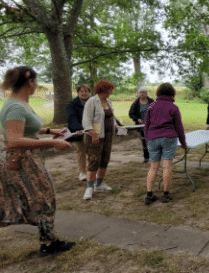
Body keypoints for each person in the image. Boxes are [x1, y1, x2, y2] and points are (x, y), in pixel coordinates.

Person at [0, 66, 75, 256]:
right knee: (43, 198)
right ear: (30, 82)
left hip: (28, 159)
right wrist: (51, 143)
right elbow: (13, 140)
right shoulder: (15, 106)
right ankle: (48, 243)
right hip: (21, 160)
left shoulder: (20, 103)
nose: (37, 85)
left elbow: (27, 127)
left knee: (41, 198)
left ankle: (48, 241)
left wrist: (50, 132)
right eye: (36, 81)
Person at [144, 83, 187, 205]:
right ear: (172, 93)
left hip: (152, 138)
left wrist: (148, 140)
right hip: (169, 137)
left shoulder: (151, 106)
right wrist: (183, 142)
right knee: (167, 166)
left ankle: (149, 194)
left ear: (158, 92)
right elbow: (179, 127)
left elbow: (146, 125)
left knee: (153, 167)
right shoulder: (173, 107)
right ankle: (166, 194)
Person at [82, 80, 119, 200]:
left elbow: (110, 117)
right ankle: (89, 188)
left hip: (107, 136)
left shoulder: (108, 102)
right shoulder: (92, 101)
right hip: (95, 136)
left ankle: (99, 184)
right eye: (110, 89)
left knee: (104, 159)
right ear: (104, 89)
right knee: (94, 160)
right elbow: (86, 121)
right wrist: (93, 134)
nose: (111, 92)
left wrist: (116, 126)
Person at [66, 84, 91, 181]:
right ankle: (82, 172)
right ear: (78, 92)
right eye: (82, 91)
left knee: (93, 152)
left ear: (89, 92)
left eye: (86, 91)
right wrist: (78, 129)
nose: (84, 93)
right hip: (79, 133)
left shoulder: (94, 102)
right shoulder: (71, 104)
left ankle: (92, 171)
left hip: (93, 132)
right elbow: (71, 118)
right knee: (81, 152)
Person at [129, 87, 154, 163]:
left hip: (152, 125)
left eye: (144, 92)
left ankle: (154, 156)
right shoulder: (136, 103)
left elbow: (158, 111)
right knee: (144, 141)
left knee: (152, 141)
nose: (142, 94)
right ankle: (146, 157)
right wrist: (137, 119)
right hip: (141, 126)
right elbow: (131, 113)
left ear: (147, 93)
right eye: (141, 92)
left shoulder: (152, 101)